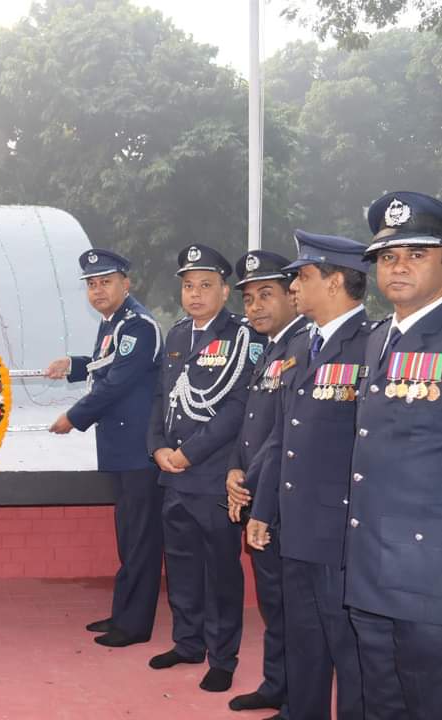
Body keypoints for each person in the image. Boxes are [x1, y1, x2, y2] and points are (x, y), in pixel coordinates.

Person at [247, 231, 371, 720]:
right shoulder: (304, 346)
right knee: (304, 643)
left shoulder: (370, 346)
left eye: (303, 276)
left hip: (341, 536)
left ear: (336, 282)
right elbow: (284, 437)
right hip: (295, 529)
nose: (293, 287)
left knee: (352, 654)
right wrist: (263, 512)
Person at [147, 243, 264, 693]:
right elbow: (161, 397)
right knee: (180, 566)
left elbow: (238, 407)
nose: (195, 294)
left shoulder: (243, 336)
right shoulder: (176, 334)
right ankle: (187, 641)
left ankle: (223, 656)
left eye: (206, 286)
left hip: (213, 475)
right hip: (172, 475)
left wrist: (189, 453)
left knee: (219, 571)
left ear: (225, 289)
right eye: (188, 286)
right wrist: (157, 447)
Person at [345, 191, 442, 720]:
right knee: (381, 697)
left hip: (428, 571)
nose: (398, 266)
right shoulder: (377, 339)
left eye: (417, 254)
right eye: (387, 256)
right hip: (370, 564)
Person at [45, 248, 164, 648]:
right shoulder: (115, 324)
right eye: (91, 285)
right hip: (120, 447)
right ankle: (123, 614)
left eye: (106, 282)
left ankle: (134, 626)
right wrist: (73, 364)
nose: (97, 291)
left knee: (141, 538)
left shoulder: (139, 326)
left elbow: (118, 383)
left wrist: (73, 418)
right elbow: (105, 364)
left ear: (125, 284)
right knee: (128, 534)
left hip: (137, 450)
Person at [224, 251, 305, 719]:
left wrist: (251, 488)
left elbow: (283, 436)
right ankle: (277, 683)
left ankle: (297, 694)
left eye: (266, 295)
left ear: (294, 294)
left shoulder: (301, 348)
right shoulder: (272, 347)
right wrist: (235, 469)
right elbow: (252, 424)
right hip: (256, 490)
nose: (254, 307)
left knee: (293, 609)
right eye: (250, 298)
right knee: (273, 602)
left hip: (279, 500)